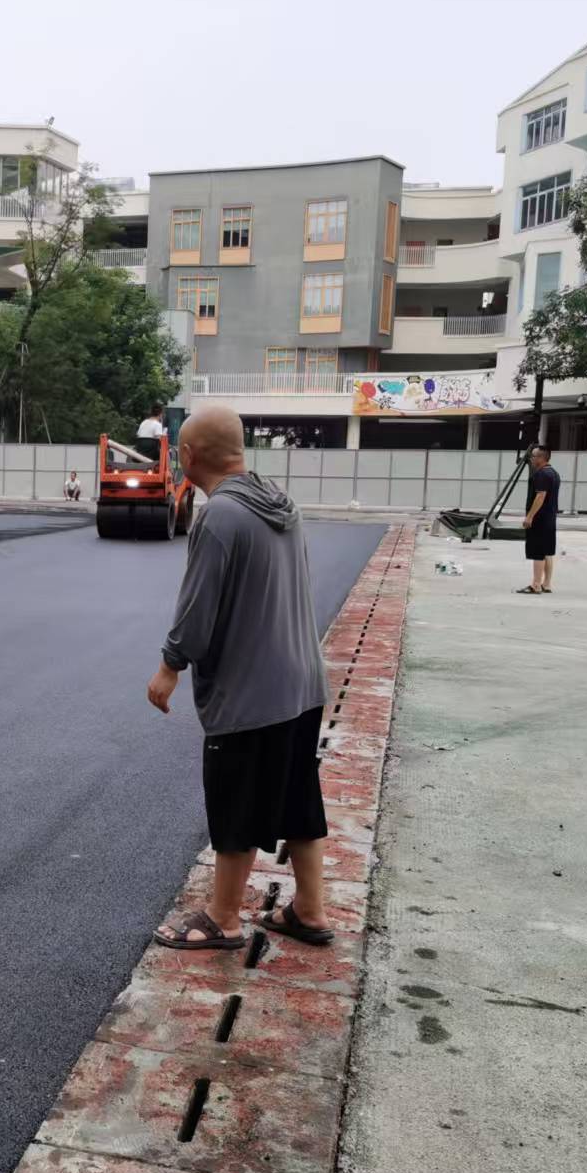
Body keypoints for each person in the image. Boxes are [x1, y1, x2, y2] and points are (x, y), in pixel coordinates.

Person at [146, 405, 333, 950]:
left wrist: (169, 666)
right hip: (302, 681)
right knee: (298, 797)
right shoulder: (281, 503)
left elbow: (197, 608)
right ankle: (309, 910)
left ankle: (223, 918)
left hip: (251, 692)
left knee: (237, 801)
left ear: (186, 456)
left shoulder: (221, 516)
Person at [516, 445, 560, 595]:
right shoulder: (554, 473)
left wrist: (529, 517)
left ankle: (536, 585)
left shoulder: (541, 474)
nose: (531, 459)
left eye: (533, 456)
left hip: (539, 519)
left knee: (538, 552)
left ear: (541, 458)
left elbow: (540, 496)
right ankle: (546, 584)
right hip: (550, 518)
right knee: (547, 551)